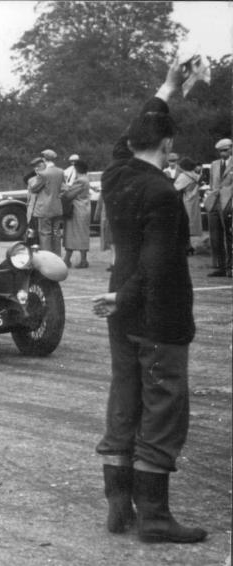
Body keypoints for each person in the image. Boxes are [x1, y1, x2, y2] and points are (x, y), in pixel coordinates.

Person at [91, 61, 207, 544]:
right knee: (162, 407)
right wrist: (125, 295)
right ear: (167, 146)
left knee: (125, 397)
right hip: (157, 314)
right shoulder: (162, 191)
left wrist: (167, 88)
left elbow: (134, 133)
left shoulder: (115, 173)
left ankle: (119, 505)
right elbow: (158, 263)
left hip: (122, 313)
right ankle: (155, 517)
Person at [204, 138, 233, 277]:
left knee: (230, 235)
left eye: (225, 150)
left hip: (229, 202)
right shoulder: (214, 164)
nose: (222, 153)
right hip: (214, 202)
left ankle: (230, 267)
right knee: (215, 236)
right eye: (220, 151)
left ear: (231, 148)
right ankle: (219, 266)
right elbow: (212, 184)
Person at [27, 150, 64, 254]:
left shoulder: (43, 174)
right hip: (57, 208)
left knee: (45, 234)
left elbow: (34, 189)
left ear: (44, 159)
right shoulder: (60, 171)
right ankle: (57, 256)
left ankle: (47, 257)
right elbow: (63, 188)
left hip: (44, 209)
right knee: (56, 233)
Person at [61, 160, 91, 268]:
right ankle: (75, 259)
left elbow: (69, 195)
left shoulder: (80, 180)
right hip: (84, 208)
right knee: (80, 234)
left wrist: (63, 189)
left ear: (77, 169)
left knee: (73, 234)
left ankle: (76, 260)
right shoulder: (85, 179)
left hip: (77, 209)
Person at [173, 158, 203, 254]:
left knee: (184, 223)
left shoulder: (184, 176)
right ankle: (189, 245)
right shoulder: (195, 175)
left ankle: (186, 246)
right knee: (190, 223)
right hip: (194, 200)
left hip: (185, 200)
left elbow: (175, 188)